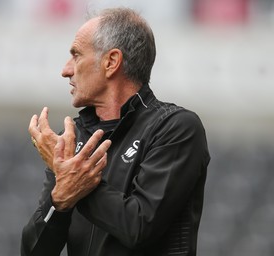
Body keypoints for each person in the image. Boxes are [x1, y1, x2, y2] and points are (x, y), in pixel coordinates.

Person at [21, 7, 210, 256]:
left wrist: (70, 174)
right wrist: (60, 195)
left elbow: (139, 227)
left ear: (111, 62)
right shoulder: (73, 138)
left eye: (76, 55)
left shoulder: (175, 128)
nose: (66, 70)